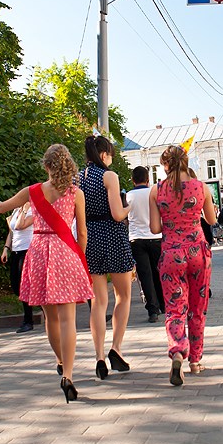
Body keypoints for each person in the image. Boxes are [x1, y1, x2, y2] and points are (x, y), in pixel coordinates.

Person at [0, 144, 92, 403]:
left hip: (40, 251)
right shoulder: (77, 194)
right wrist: (79, 257)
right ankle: (68, 374)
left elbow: (1, 208)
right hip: (66, 252)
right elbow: (84, 233)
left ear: (46, 166)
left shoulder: (32, 191)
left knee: (50, 318)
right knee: (68, 320)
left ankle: (59, 359)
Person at [149, 145, 216, 386]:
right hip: (198, 252)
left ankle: (177, 351)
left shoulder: (157, 191)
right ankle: (196, 361)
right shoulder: (201, 187)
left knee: (175, 308)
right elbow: (211, 219)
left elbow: (155, 229)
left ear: (165, 165)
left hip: (171, 254)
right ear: (186, 162)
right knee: (197, 307)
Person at [80, 135, 135, 380]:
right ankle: (116, 349)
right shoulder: (109, 176)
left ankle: (99, 357)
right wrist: (129, 207)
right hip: (112, 237)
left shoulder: (78, 178)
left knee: (98, 303)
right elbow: (116, 214)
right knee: (123, 297)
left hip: (90, 237)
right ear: (104, 155)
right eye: (110, 153)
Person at [127, 166, 164, 323]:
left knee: (145, 274)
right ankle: (164, 305)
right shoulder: (154, 192)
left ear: (133, 180)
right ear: (148, 179)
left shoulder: (128, 196)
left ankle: (152, 310)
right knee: (158, 272)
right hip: (156, 237)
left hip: (137, 239)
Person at [2, 204, 35, 333]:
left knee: (25, 286)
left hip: (28, 250)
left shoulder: (34, 210)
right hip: (16, 250)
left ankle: (28, 321)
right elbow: (12, 231)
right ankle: (35, 314)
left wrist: (25, 210)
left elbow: (20, 225)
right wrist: (6, 248)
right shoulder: (16, 210)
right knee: (16, 285)